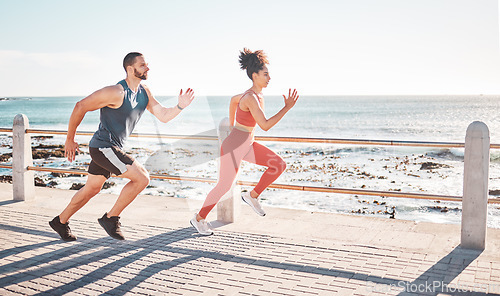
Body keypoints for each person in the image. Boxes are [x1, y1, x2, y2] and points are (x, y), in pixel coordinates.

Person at [49, 52, 195, 241]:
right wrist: (70, 139)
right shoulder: (116, 92)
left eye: (146, 64)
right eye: (142, 65)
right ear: (130, 69)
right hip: (103, 147)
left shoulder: (144, 92)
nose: (147, 68)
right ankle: (111, 218)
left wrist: (180, 106)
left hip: (110, 149)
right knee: (142, 178)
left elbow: (164, 116)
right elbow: (80, 106)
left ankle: (60, 222)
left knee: (91, 189)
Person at [190, 48, 299, 235]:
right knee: (223, 186)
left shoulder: (253, 95)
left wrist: (232, 124)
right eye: (265, 74)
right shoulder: (250, 98)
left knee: (278, 165)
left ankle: (252, 195)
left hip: (247, 144)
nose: (269, 78)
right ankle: (199, 218)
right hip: (234, 147)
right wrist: (286, 108)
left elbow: (233, 101)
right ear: (255, 75)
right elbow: (264, 125)